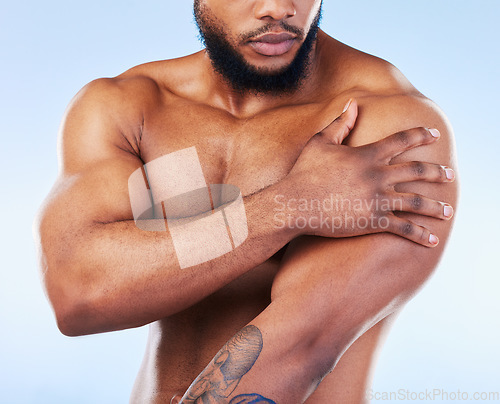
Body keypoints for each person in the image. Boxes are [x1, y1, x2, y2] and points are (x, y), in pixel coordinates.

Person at [34, 1, 458, 402]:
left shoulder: (388, 128)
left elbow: (300, 347)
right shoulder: (133, 109)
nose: (277, 8)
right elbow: (79, 296)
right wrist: (289, 206)